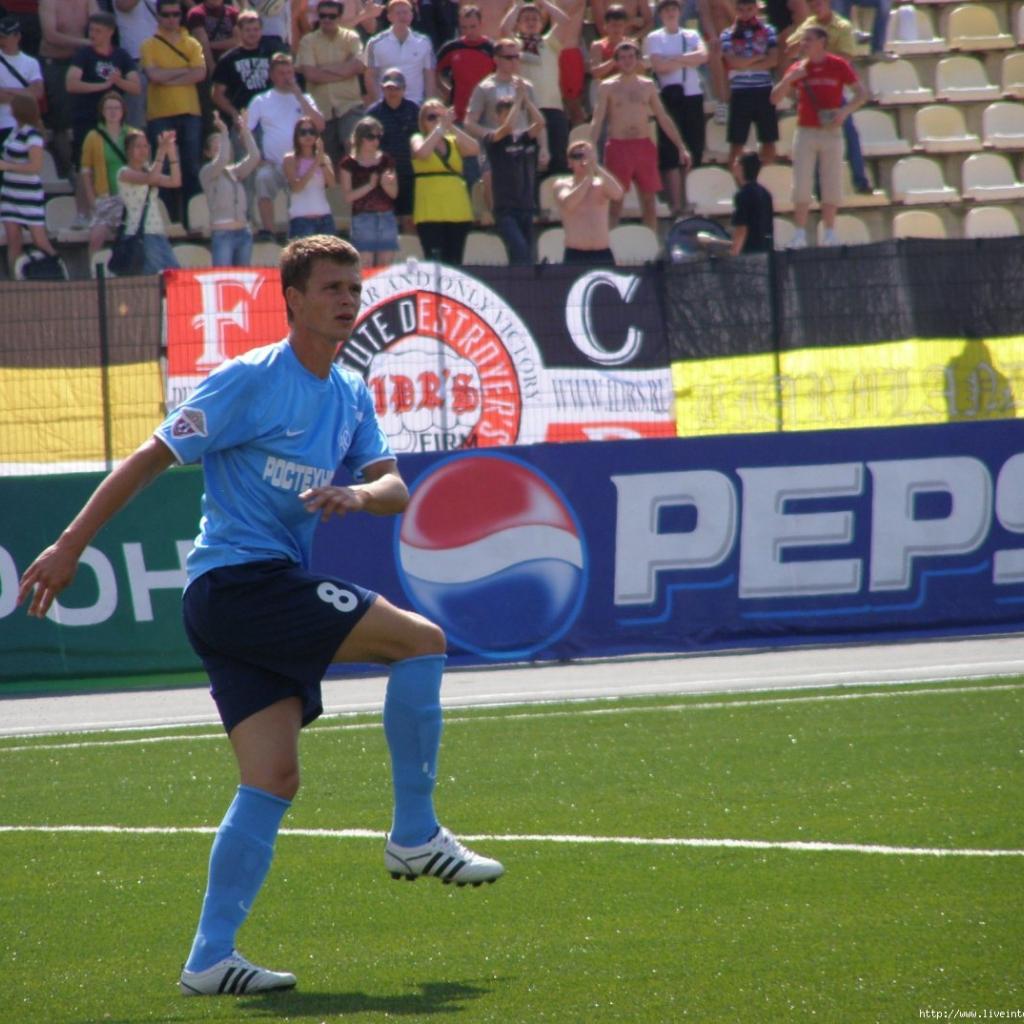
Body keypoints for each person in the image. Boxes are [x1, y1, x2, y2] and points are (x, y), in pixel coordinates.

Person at [17, 233, 505, 997]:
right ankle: (415, 834)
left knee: (272, 778)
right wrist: (69, 544)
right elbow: (148, 457)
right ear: (294, 300)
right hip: (240, 585)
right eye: (332, 287)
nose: (348, 299)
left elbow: (394, 489)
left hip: (250, 596)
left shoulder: (349, 393)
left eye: (354, 287)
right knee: (421, 641)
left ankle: (209, 959)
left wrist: (357, 493)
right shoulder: (249, 380)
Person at [770, 24, 866, 248]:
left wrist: (844, 112)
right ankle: (799, 233)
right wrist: (789, 79)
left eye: (809, 40)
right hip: (806, 131)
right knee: (801, 183)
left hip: (831, 131)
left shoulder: (838, 65)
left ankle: (830, 232)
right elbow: (774, 98)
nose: (804, 44)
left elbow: (861, 93)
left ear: (822, 42)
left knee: (831, 182)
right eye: (803, 40)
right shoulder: (799, 67)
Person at [589, 38, 691, 233]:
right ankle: (609, 243)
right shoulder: (607, 86)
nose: (627, 61)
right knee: (615, 202)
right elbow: (597, 119)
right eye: (623, 57)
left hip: (643, 147)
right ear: (616, 61)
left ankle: (651, 244)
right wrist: (590, 148)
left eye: (631, 56)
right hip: (618, 147)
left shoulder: (648, 85)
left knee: (649, 202)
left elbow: (663, 117)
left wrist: (681, 146)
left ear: (637, 59)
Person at [787, 0, 871, 193]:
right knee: (813, 138)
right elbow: (789, 49)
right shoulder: (808, 25)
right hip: (812, 91)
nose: (816, 7)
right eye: (812, 5)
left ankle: (860, 180)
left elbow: (847, 58)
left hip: (833, 89)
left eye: (819, 3)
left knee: (849, 134)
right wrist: (803, 45)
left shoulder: (842, 26)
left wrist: (819, 54)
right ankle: (818, 188)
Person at [67, 12, 142, 224]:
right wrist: (102, 86)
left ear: (110, 32)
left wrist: (118, 82)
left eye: (98, 31)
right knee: (84, 166)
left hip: (114, 122)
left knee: (118, 162)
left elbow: (136, 87)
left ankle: (122, 211)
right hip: (86, 118)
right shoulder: (84, 54)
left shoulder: (121, 56)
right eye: (91, 30)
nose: (93, 35)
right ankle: (82, 214)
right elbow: (71, 83)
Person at [140, 1, 207, 222]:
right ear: (158, 16)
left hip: (190, 112)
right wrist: (185, 71)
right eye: (166, 15)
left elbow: (200, 74)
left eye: (176, 14)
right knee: (164, 169)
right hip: (160, 113)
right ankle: (167, 222)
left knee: (191, 168)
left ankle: (193, 220)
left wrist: (167, 77)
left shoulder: (192, 43)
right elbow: (153, 76)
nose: (171, 19)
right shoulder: (149, 45)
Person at [247, 51, 324, 241]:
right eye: (281, 73)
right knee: (262, 179)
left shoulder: (306, 98)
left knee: (300, 198)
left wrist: (298, 94)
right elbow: (246, 130)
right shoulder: (261, 100)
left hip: (300, 163)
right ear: (272, 75)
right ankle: (269, 232)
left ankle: (299, 237)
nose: (286, 77)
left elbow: (320, 125)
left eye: (289, 72)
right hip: (273, 162)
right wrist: (256, 157)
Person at [644, 0, 708, 218]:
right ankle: (676, 203)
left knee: (693, 146)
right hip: (669, 97)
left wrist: (674, 59)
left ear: (679, 12)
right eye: (666, 10)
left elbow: (703, 56)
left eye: (673, 9)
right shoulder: (654, 37)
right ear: (660, 14)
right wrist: (687, 60)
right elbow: (659, 67)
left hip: (692, 95)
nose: (670, 13)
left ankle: (689, 198)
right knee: (671, 150)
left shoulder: (691, 34)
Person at [500, 0, 569, 175]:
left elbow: (564, 21)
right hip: (527, 109)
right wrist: (517, 6)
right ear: (518, 23)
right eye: (526, 19)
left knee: (558, 160)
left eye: (534, 19)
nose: (530, 22)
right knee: (531, 161)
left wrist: (543, 3)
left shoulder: (549, 42)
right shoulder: (515, 46)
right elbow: (504, 29)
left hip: (553, 108)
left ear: (541, 23)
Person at [295, 0, 365, 166]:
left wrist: (323, 69)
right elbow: (311, 75)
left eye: (331, 16)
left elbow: (359, 66)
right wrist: (345, 69)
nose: (326, 19)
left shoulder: (351, 37)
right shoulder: (308, 41)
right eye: (323, 16)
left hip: (349, 105)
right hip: (321, 110)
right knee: (328, 160)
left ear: (339, 17)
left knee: (354, 148)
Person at [410, 98, 478, 265]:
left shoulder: (453, 140)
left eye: (440, 116)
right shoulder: (418, 138)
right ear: (422, 121)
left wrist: (450, 127)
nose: (436, 121)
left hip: (457, 210)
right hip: (430, 211)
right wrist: (440, 129)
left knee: (455, 262)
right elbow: (422, 153)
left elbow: (474, 148)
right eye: (431, 117)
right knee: (434, 261)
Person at [39, 0, 99, 188]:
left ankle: (89, 168)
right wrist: (86, 43)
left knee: (91, 117)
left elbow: (99, 22)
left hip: (82, 62)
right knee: (61, 122)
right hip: (56, 63)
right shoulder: (49, 2)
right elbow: (50, 35)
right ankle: (67, 172)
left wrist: (98, 40)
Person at [0, 93, 60, 277]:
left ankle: (58, 271)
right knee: (13, 240)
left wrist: (8, 166)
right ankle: (16, 279)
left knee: (39, 239)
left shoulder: (33, 135)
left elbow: (35, 166)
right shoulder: (14, 131)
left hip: (28, 193)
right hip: (10, 191)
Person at [484, 85, 542, 265]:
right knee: (520, 250)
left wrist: (527, 101)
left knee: (528, 255)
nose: (513, 116)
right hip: (506, 209)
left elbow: (540, 123)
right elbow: (507, 127)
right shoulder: (492, 139)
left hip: (526, 206)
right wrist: (518, 100)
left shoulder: (524, 138)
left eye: (514, 113)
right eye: (506, 113)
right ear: (497, 116)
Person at [720, 0, 778, 173]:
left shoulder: (768, 30)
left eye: (749, 9)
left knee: (768, 141)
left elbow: (773, 60)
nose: (745, 13)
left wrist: (745, 64)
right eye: (741, 9)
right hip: (740, 92)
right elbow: (733, 62)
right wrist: (758, 57)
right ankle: (739, 181)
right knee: (736, 143)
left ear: (756, 8)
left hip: (764, 90)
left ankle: (764, 178)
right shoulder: (728, 33)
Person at [117, 127, 182, 272]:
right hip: (140, 233)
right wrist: (161, 152)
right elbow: (151, 179)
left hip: (157, 231)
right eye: (138, 146)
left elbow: (175, 181)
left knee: (174, 274)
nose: (143, 150)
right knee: (156, 276)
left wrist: (171, 152)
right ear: (128, 150)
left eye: (145, 146)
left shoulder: (148, 170)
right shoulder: (124, 173)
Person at [211, 9, 287, 132]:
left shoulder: (272, 55)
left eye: (256, 30)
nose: (252, 33)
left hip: (270, 117)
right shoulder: (227, 59)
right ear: (239, 31)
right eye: (248, 30)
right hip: (244, 118)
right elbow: (217, 94)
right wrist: (234, 114)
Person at [201, 109, 260, 265]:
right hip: (223, 234)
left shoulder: (235, 171)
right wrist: (224, 133)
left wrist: (245, 131)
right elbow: (222, 159)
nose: (223, 150)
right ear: (208, 153)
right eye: (217, 148)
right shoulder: (207, 172)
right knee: (224, 276)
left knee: (243, 277)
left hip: (243, 232)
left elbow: (255, 157)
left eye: (225, 146)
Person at [339, 116, 399, 268]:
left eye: (378, 136)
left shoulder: (386, 160)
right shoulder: (348, 164)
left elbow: (394, 194)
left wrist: (385, 184)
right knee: (365, 264)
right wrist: (370, 185)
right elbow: (347, 197)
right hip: (362, 219)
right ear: (360, 137)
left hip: (386, 217)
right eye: (371, 137)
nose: (376, 141)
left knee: (385, 265)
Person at [366, 67, 419, 234]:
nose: (392, 92)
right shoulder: (373, 114)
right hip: (383, 176)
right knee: (386, 221)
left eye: (396, 88)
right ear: (382, 88)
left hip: (409, 174)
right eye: (389, 88)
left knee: (410, 221)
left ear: (404, 89)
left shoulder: (415, 110)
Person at [79, 91, 132, 258]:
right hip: (105, 199)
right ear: (102, 111)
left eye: (116, 108)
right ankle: (93, 272)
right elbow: (86, 172)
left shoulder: (132, 134)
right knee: (96, 238)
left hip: (129, 197)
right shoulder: (93, 136)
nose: (113, 112)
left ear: (123, 111)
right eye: (109, 108)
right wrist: (92, 200)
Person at [553, 138, 622, 264]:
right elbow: (569, 204)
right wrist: (588, 179)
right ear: (569, 162)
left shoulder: (601, 184)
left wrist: (595, 167)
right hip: (575, 254)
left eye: (585, 156)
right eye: (577, 156)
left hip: (602, 254)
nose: (582, 160)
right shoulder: (562, 184)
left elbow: (617, 194)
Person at [364, 0, 436, 106]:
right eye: (398, 13)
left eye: (405, 12)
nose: (402, 16)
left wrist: (428, 104)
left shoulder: (424, 42)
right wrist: (379, 104)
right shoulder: (375, 43)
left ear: (411, 15)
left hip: (416, 103)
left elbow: (429, 76)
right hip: (387, 105)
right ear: (389, 17)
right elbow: (371, 77)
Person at [435, 5, 495, 124]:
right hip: (458, 114)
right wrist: (444, 89)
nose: (469, 31)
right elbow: (434, 70)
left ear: (481, 24)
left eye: (473, 26)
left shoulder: (492, 48)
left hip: (486, 114)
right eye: (464, 27)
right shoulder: (451, 48)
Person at [283, 116, 337, 239]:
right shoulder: (290, 159)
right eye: (303, 132)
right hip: (301, 220)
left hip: (325, 219)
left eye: (311, 132)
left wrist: (321, 161)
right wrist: (316, 162)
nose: (308, 135)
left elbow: (332, 184)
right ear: (296, 136)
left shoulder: (324, 158)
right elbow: (296, 187)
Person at [0, 15, 44, 153]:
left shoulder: (31, 62)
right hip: (3, 123)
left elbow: (38, 93)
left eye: (4, 37)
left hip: (26, 124)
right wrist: (25, 92)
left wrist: (7, 91)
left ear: (17, 36)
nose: (1, 40)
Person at [113, 0, 159, 128]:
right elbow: (123, 5)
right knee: (136, 119)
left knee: (160, 117)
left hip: (161, 58)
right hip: (135, 59)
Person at [729, 150, 773, 254]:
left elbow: (741, 229)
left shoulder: (743, 195)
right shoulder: (765, 193)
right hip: (765, 252)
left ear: (740, 168)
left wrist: (733, 252)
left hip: (749, 253)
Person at [187, 0, 242, 77]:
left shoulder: (233, 13)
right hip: (207, 63)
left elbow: (238, 41)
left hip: (232, 61)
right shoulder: (196, 14)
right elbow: (201, 42)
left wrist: (209, 45)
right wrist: (212, 68)